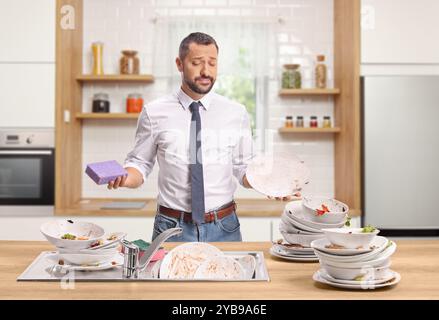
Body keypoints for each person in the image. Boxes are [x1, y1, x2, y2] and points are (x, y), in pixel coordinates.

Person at [107, 32, 296, 242]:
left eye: (212, 63)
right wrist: (124, 177)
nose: (206, 71)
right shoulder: (154, 112)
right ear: (179, 64)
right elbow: (139, 164)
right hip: (171, 228)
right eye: (196, 63)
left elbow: (244, 167)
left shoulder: (236, 112)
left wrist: (270, 184)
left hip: (225, 226)